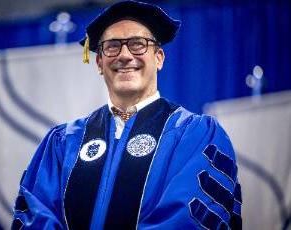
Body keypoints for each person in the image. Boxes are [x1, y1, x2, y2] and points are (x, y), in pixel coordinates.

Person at [12, 1, 242, 229]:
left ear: (159, 57)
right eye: (112, 46)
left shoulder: (196, 135)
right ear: (100, 62)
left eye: (138, 44)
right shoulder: (63, 143)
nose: (124, 55)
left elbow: (188, 219)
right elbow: (36, 214)